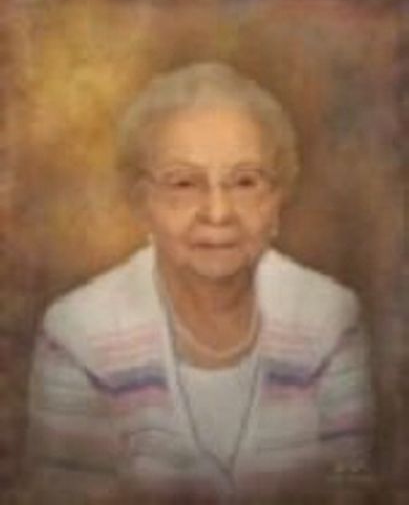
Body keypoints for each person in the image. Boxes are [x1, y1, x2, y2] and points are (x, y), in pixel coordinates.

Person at [27, 62, 373, 503]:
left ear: (277, 199)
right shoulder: (79, 335)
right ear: (142, 202)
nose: (218, 212)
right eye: (184, 183)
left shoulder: (330, 319)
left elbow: (353, 491)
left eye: (245, 181)